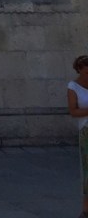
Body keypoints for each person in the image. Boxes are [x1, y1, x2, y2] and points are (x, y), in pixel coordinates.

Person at [67, 54, 88, 218]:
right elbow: (73, 111)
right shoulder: (73, 86)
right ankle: (86, 209)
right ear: (79, 70)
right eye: (87, 72)